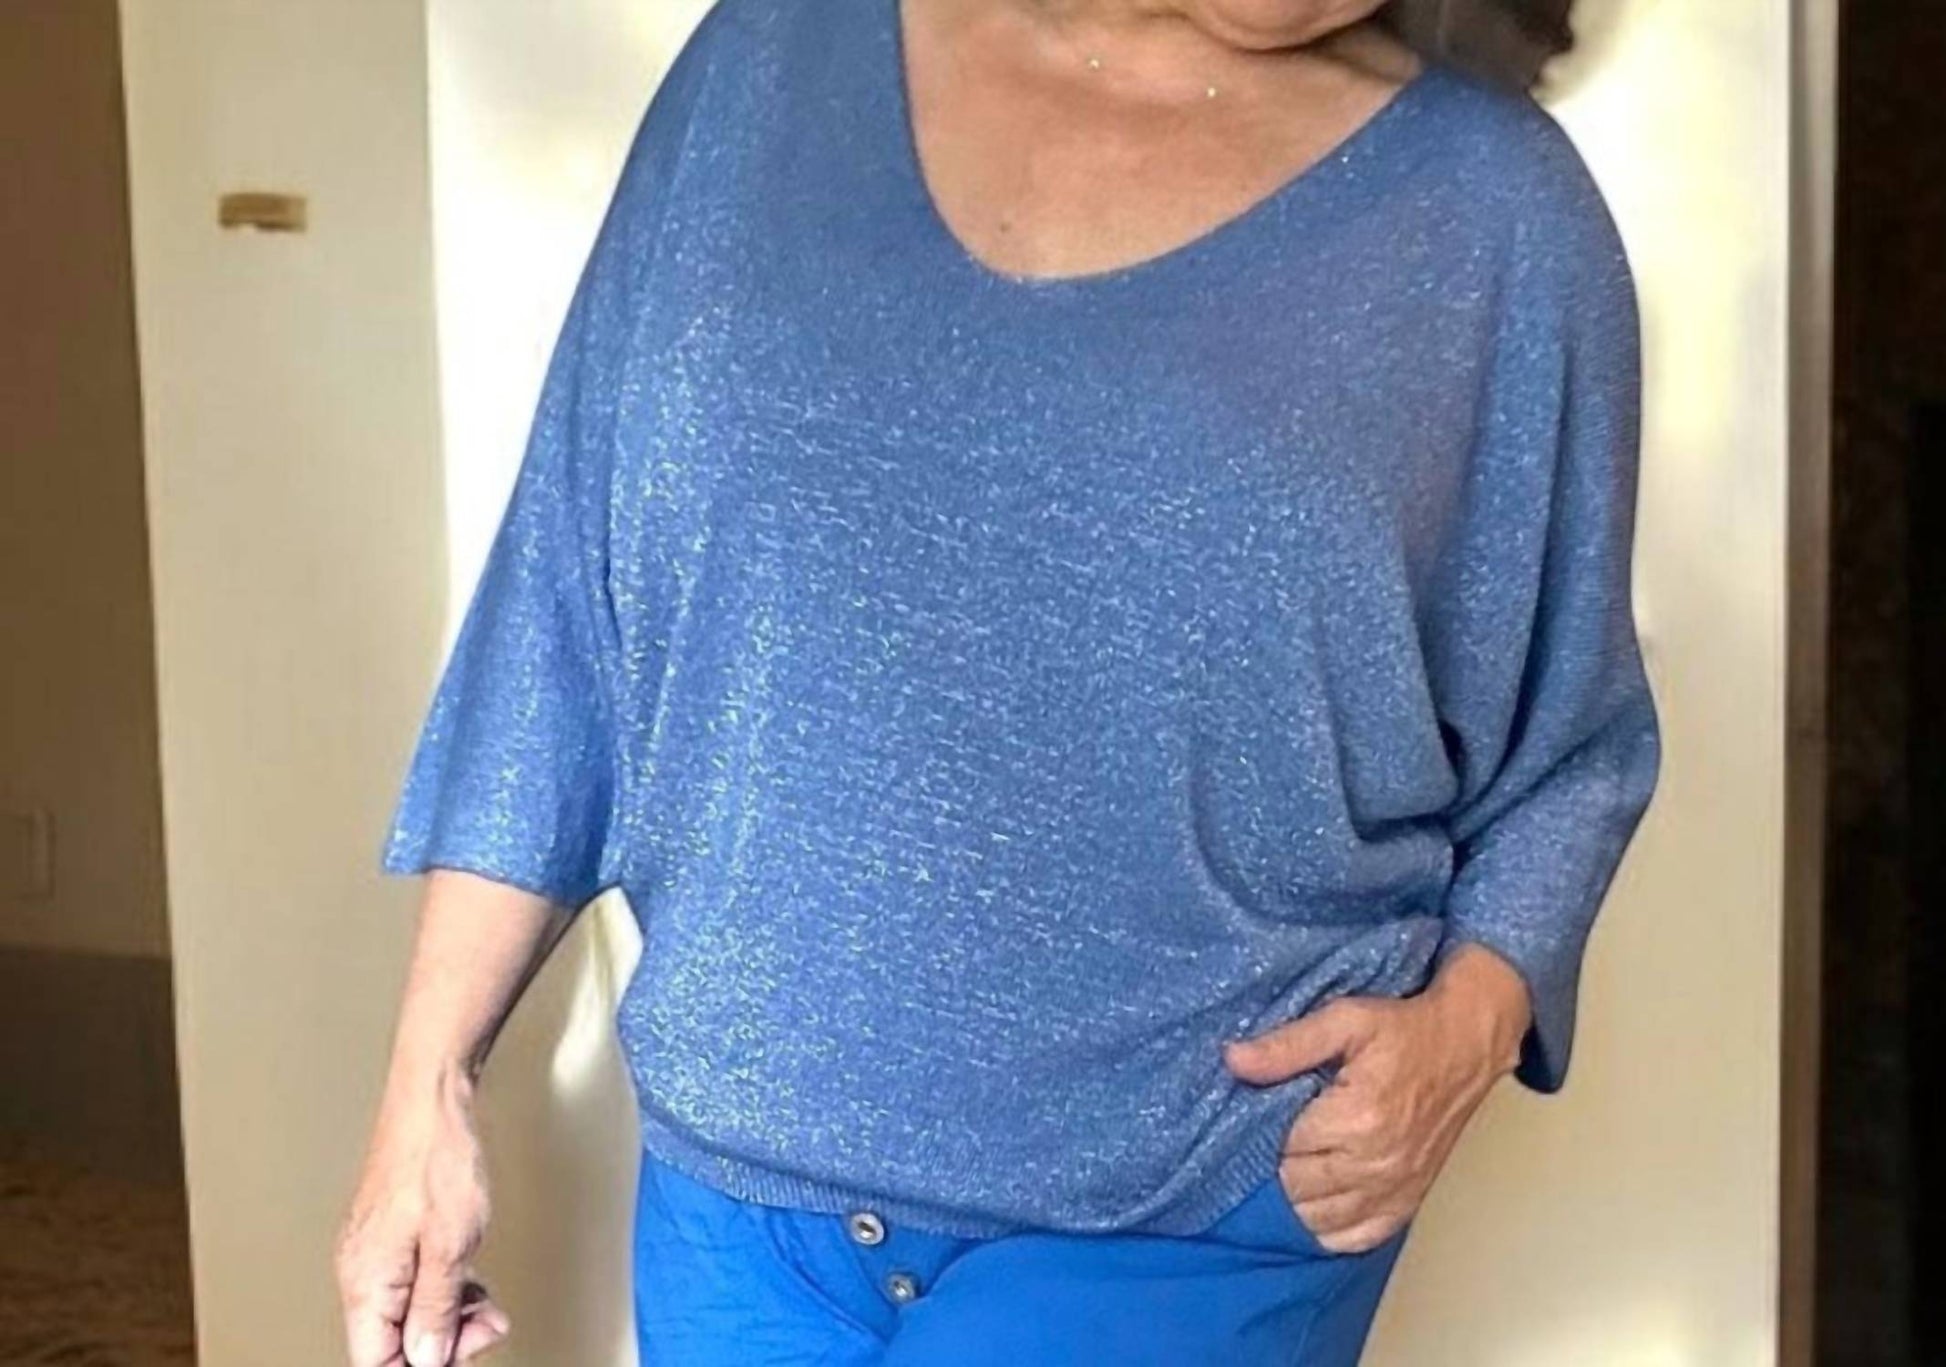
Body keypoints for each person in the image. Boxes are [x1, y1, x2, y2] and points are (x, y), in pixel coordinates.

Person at [335, 0, 1662, 1362]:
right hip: (736, 1195)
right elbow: (567, 610)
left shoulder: (1492, 215)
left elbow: (1572, 738)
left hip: (1196, 1197)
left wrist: (1474, 1022)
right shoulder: (769, 61)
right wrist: (427, 1088)